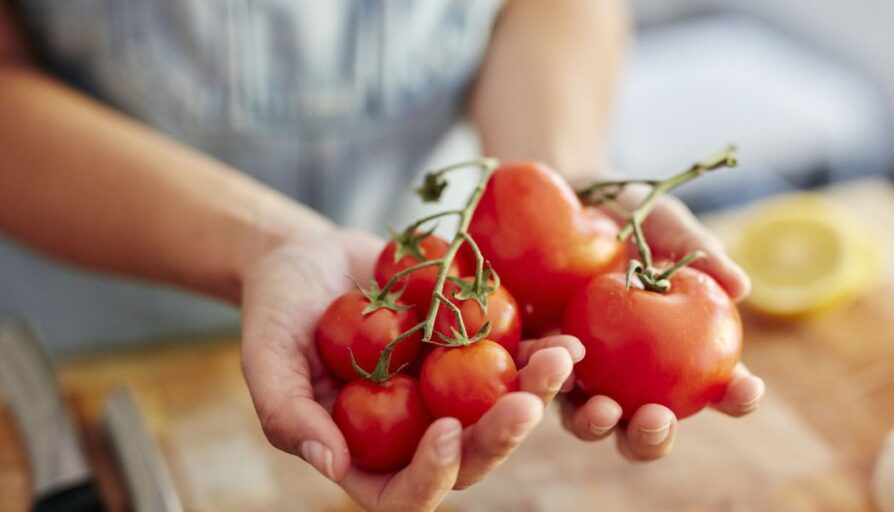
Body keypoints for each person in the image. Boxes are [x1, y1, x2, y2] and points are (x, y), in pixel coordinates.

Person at [0, 1, 764, 510]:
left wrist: (554, 179)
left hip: (444, 271)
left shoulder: (456, 314)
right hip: (97, 332)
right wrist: (264, 244)